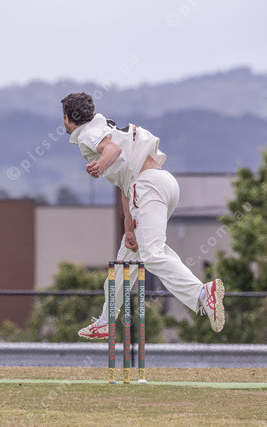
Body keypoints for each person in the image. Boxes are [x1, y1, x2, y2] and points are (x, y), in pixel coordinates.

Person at [60, 92, 225, 338]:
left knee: (152, 254)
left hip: (147, 187)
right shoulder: (103, 125)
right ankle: (106, 320)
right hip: (161, 183)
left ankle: (203, 293)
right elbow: (125, 181)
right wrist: (129, 226)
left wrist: (99, 165)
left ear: (66, 118)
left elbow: (113, 150)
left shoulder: (86, 134)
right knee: (126, 259)